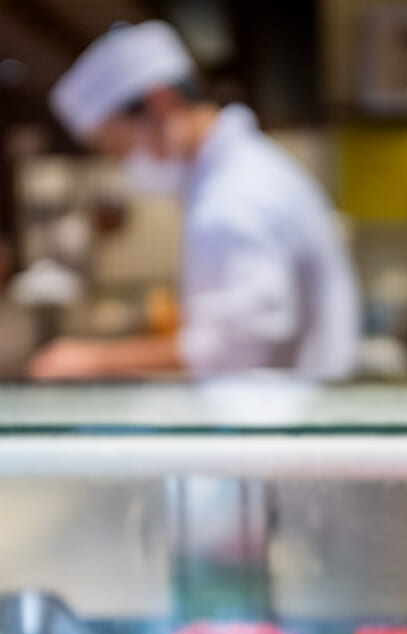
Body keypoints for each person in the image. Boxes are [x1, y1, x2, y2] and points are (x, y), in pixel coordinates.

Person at [29, 21, 360, 380]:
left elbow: (238, 345)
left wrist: (94, 360)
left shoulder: (235, 193)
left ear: (161, 101)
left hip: (289, 405)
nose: (122, 165)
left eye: (117, 148)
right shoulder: (240, 172)